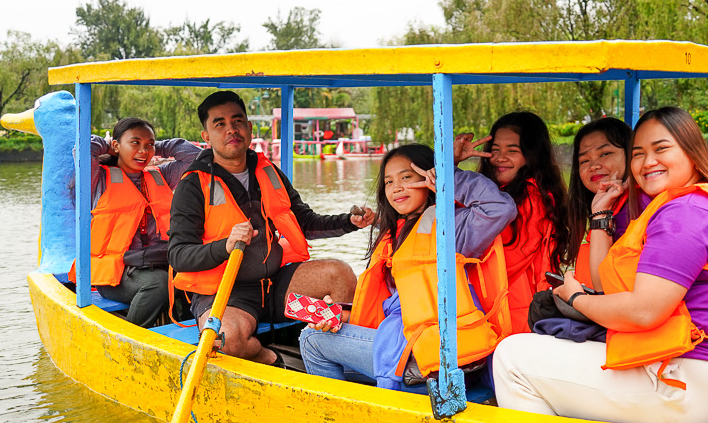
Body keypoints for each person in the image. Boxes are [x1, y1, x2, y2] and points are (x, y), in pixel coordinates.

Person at [493, 106, 708, 423]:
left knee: (511, 356)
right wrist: (601, 215)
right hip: (702, 378)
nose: (648, 162)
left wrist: (577, 298)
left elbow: (643, 311)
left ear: (692, 151)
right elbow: (611, 286)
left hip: (687, 384)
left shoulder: (685, 213)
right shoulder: (683, 203)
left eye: (661, 149)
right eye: (640, 153)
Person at [168, 90, 375, 366]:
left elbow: (306, 223)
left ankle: (342, 358)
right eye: (220, 123)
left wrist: (349, 222)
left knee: (340, 273)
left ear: (249, 127)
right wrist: (224, 246)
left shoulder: (270, 172)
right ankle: (276, 361)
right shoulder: (192, 185)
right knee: (226, 338)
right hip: (226, 294)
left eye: (237, 121)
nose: (231, 129)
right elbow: (178, 255)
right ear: (206, 136)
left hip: (276, 286)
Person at [299, 142, 517, 389]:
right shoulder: (398, 231)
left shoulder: (450, 227)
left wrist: (449, 175)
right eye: (389, 182)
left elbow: (500, 209)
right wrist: (342, 315)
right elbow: (397, 307)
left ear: (428, 179)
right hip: (407, 349)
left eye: (406, 177)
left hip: (436, 359)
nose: (397, 188)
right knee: (321, 332)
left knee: (311, 341)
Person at [73, 117, 200, 328]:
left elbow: (195, 156)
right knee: (159, 284)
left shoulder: (162, 175)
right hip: (117, 273)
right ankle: (129, 342)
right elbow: (83, 149)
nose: (143, 151)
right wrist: (111, 145)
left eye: (148, 144)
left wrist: (154, 146)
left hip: (159, 263)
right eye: (135, 143)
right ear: (116, 145)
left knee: (198, 276)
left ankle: (190, 336)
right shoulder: (98, 179)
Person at [476, 111, 569, 333]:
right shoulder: (504, 192)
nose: (500, 158)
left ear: (532, 155)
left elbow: (509, 258)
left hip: (517, 312)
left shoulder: (532, 196)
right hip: (510, 307)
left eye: (512, 151)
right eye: (495, 150)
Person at [566, 117, 633, 288]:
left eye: (605, 154)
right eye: (584, 161)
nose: (593, 166)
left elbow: (605, 287)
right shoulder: (607, 207)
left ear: (631, 153)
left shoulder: (636, 211)